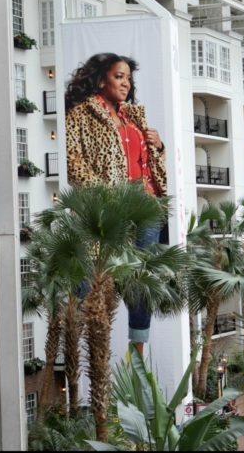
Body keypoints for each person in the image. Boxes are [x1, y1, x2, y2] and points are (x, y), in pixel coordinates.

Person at [65, 52, 167, 354]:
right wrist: (103, 193)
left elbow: (151, 164)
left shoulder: (133, 117)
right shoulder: (81, 114)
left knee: (139, 277)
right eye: (118, 77)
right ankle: (88, 344)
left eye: (128, 79)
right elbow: (73, 160)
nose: (125, 84)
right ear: (100, 79)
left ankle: (138, 349)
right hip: (110, 207)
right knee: (93, 275)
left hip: (147, 205)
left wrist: (158, 145)